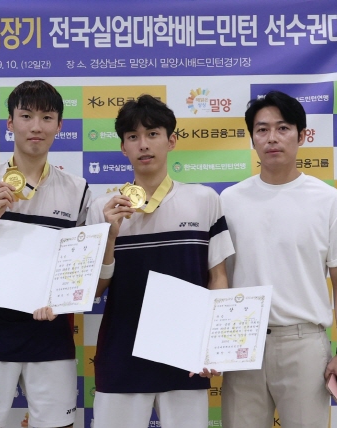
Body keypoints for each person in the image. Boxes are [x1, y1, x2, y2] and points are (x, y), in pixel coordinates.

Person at [0, 80, 91, 428]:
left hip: (51, 337)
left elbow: (82, 272)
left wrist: (62, 297)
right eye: (26, 116)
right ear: (10, 123)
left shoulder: (78, 191)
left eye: (47, 117)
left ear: (59, 126)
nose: (36, 126)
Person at [85, 95, 235, 428]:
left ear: (171, 141)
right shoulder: (103, 209)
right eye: (133, 137)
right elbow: (94, 289)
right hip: (121, 354)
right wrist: (109, 236)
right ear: (123, 148)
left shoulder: (204, 200)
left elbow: (218, 277)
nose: (144, 144)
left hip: (186, 356)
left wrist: (214, 346)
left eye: (153, 134)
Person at [220, 91, 337, 428]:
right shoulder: (229, 200)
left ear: (302, 135)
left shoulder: (329, 201)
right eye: (262, 129)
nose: (272, 138)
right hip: (242, 344)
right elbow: (218, 278)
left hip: (304, 346)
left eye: (283, 128)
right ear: (252, 138)